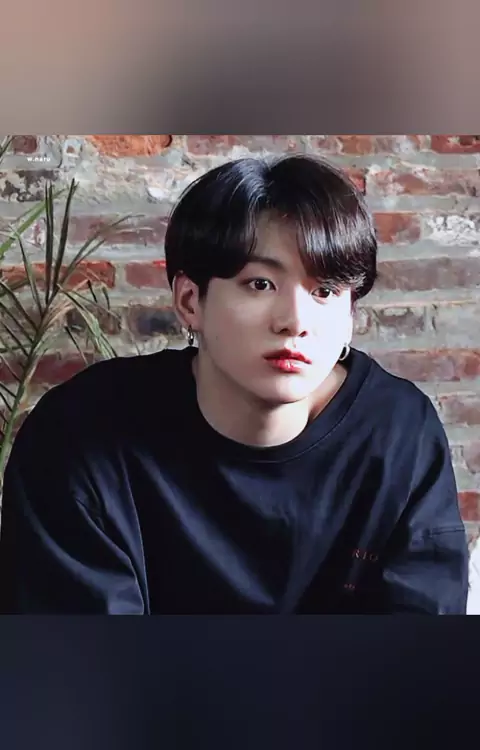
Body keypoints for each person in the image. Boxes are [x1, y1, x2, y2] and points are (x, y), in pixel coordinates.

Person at [0, 154, 469, 614]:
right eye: (260, 284)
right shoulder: (79, 434)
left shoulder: (399, 433)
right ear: (190, 301)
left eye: (324, 291)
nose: (295, 322)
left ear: (350, 315)